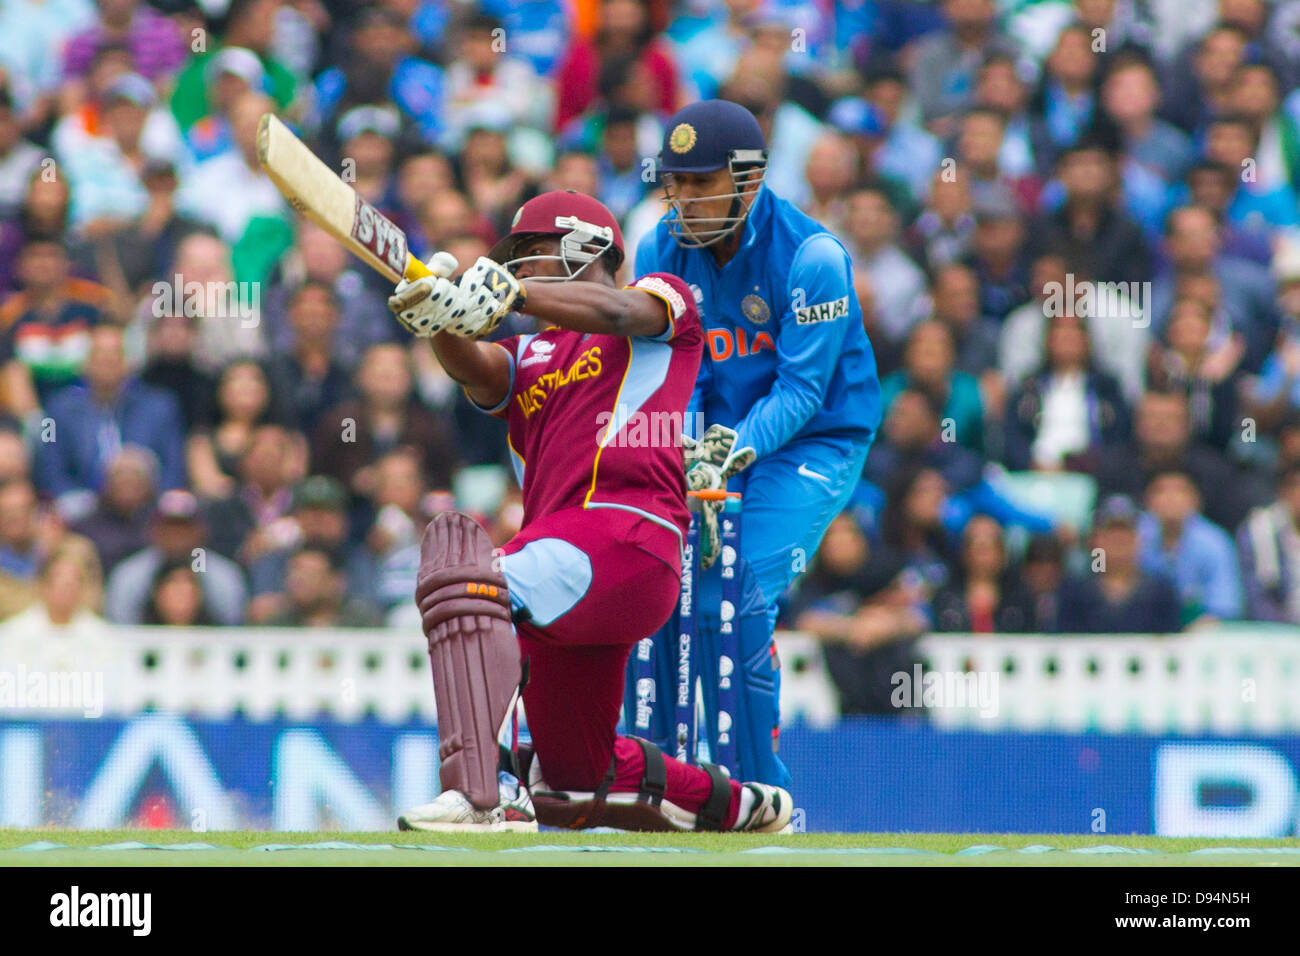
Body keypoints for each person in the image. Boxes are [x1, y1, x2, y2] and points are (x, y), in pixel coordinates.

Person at [383, 188, 791, 832]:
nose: (515, 270)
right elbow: (479, 372)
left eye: (530, 255)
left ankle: (482, 795)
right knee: (574, 780)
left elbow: (617, 308)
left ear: (582, 248)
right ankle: (743, 806)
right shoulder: (529, 355)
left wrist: (510, 296)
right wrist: (440, 318)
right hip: (567, 570)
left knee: (466, 573)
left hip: (628, 537)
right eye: (512, 260)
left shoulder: (664, 303)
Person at [632, 99, 881, 788]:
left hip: (816, 441)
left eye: (701, 183)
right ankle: (670, 779)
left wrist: (727, 450)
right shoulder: (660, 249)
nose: (683, 200)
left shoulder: (814, 257)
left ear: (749, 179)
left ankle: (761, 787)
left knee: (736, 596)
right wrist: (689, 445)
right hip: (717, 435)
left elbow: (803, 394)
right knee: (665, 587)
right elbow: (681, 374)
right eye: (675, 182)